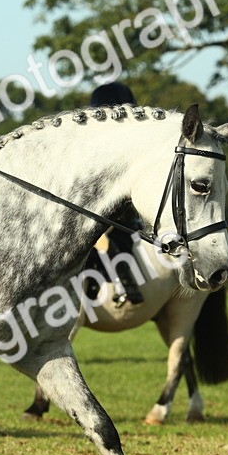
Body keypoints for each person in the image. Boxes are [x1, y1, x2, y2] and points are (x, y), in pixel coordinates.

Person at [88, 82, 144, 305]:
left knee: (107, 242)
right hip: (92, 212)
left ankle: (125, 285)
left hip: (122, 216)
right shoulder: (93, 146)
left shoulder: (132, 147)